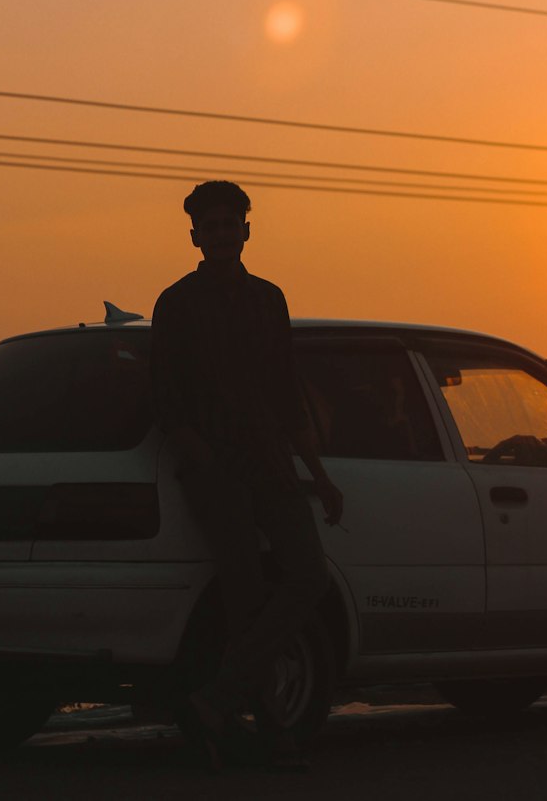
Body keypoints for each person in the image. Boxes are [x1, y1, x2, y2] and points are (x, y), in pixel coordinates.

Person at [150, 180, 342, 770]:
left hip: (271, 463)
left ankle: (215, 701)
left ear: (246, 231)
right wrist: (202, 457)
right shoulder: (177, 303)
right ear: (194, 237)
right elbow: (166, 397)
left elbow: (287, 394)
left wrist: (318, 473)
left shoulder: (268, 299)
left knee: (307, 575)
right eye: (211, 227)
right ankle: (273, 729)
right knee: (246, 599)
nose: (222, 235)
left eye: (231, 224)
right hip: (215, 472)